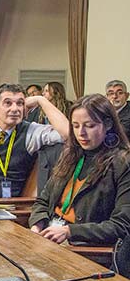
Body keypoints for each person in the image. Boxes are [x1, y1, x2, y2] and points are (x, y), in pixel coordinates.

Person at [29, 94, 130, 245]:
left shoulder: (123, 163)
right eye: (75, 126)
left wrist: (70, 231)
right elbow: (43, 201)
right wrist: (37, 225)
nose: (81, 133)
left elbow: (121, 226)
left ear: (108, 124)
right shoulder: (71, 155)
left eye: (89, 126)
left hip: (84, 247)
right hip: (50, 237)